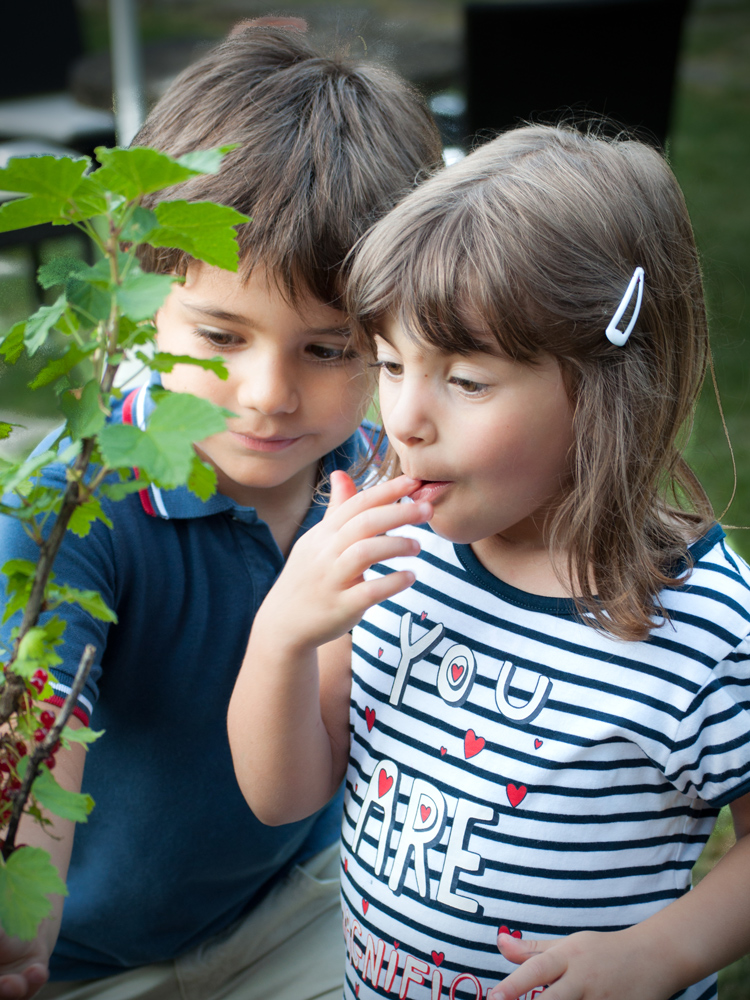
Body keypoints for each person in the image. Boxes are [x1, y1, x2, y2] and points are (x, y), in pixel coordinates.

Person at [228, 124, 750, 1000]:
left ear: (605, 394)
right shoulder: (392, 552)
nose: (405, 419)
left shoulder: (701, 624)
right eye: (391, 364)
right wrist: (281, 636)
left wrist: (657, 956)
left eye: (466, 381)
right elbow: (285, 796)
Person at [0, 20, 443, 1000]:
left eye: (329, 350)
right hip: (85, 958)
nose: (267, 394)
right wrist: (19, 942)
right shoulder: (73, 508)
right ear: (140, 288)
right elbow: (36, 746)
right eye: (220, 333)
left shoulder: (378, 469)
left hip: (297, 907)